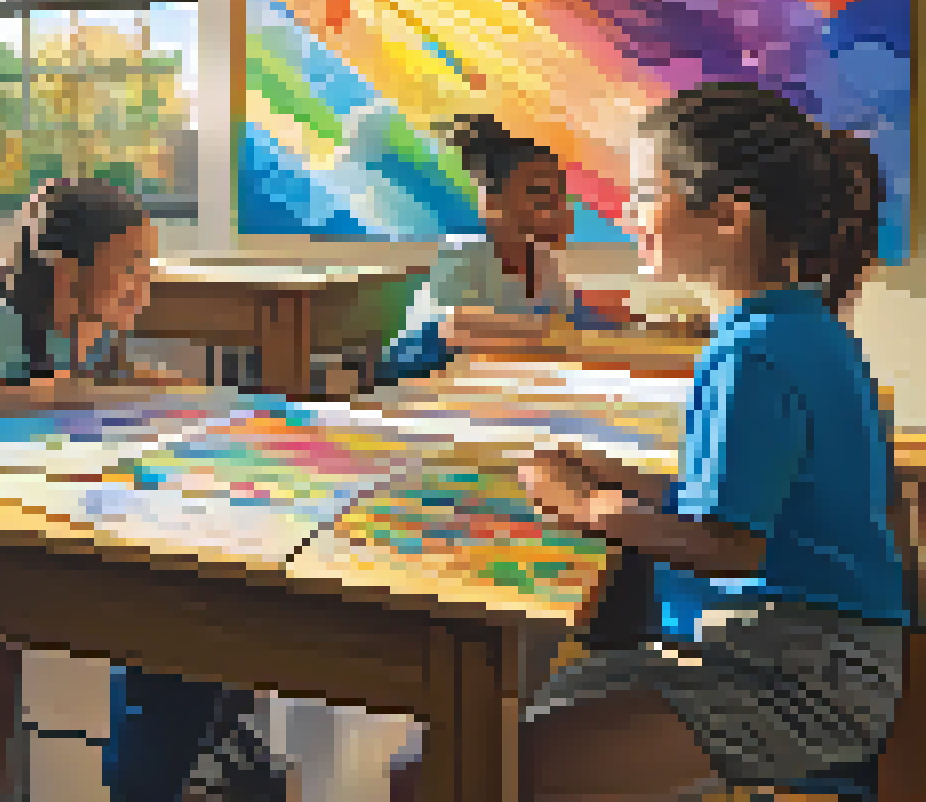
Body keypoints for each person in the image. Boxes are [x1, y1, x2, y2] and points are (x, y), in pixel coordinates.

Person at [393, 82, 908, 801]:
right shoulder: (795, 331)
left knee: (441, 777)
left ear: (728, 217)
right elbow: (742, 502)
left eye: (643, 195)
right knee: (479, 732)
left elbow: (732, 544)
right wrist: (614, 475)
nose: (626, 215)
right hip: (792, 649)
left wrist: (587, 505)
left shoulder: (752, 354)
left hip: (794, 678)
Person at [0, 180, 219, 802]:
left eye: (147, 264)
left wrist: (165, 389)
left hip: (15, 511)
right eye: (129, 265)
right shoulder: (2, 318)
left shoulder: (83, 323)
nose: (145, 280)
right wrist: (41, 398)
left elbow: (90, 378)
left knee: (5, 630)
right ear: (67, 271)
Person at [377, 115, 633, 384]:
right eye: (540, 195)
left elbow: (567, 315)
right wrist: (560, 330)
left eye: (561, 196)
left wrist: (607, 319)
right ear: (493, 203)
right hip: (413, 384)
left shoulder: (540, 261)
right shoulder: (468, 255)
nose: (561, 210)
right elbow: (457, 327)